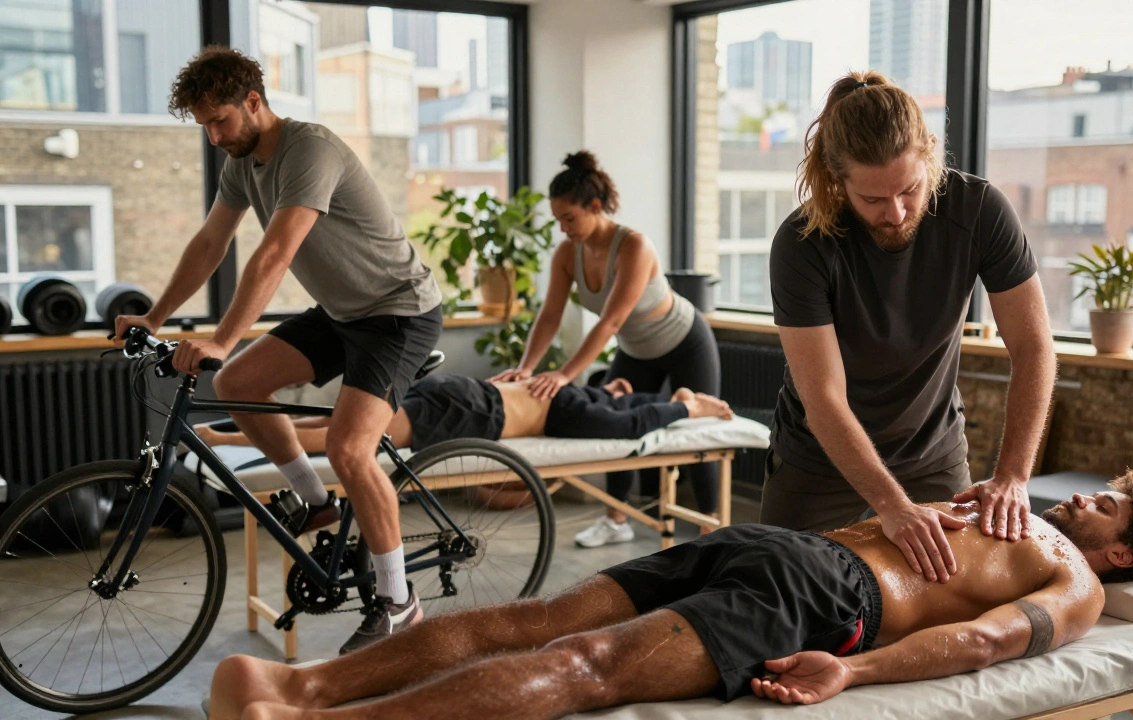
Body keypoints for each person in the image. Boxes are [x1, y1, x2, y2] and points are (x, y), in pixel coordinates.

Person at [207, 470, 1133, 720]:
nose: (1085, 500)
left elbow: (982, 646)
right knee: (569, 656)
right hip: (801, 561)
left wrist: (850, 668)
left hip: (811, 568)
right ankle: (303, 705)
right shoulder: (1012, 515)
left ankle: (292, 691)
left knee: (542, 629)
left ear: (1116, 558)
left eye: (1106, 510)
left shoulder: (1070, 584)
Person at [113, 46, 443, 655]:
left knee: (349, 448)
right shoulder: (242, 164)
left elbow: (275, 253)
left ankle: (400, 602)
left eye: (219, 120)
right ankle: (317, 506)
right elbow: (211, 241)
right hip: (344, 311)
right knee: (237, 384)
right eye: (203, 124)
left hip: (398, 312)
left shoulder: (309, 149)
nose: (213, 136)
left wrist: (219, 339)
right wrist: (156, 317)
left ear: (254, 102)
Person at [765, 70, 1058, 583]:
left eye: (909, 190)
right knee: (785, 592)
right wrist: (890, 506)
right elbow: (824, 398)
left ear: (931, 154)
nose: (896, 213)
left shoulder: (980, 210)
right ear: (838, 181)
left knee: (955, 593)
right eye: (873, 200)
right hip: (820, 459)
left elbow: (1034, 347)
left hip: (931, 453)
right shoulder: (802, 243)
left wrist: (1013, 476)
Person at [491, 151, 723, 548]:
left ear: (594, 207)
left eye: (570, 218)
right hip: (636, 349)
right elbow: (549, 315)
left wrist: (564, 375)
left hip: (685, 341)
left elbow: (610, 322)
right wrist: (527, 367)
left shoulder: (634, 246)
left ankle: (712, 531)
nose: (564, 229)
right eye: (558, 220)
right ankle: (618, 520)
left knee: (701, 434)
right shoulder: (568, 255)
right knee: (613, 427)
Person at [195, 375, 733, 455]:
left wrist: (610, 390)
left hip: (468, 395)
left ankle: (222, 435)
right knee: (349, 438)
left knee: (345, 427)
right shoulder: (569, 408)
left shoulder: (573, 401)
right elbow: (626, 421)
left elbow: (619, 411)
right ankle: (222, 440)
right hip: (479, 411)